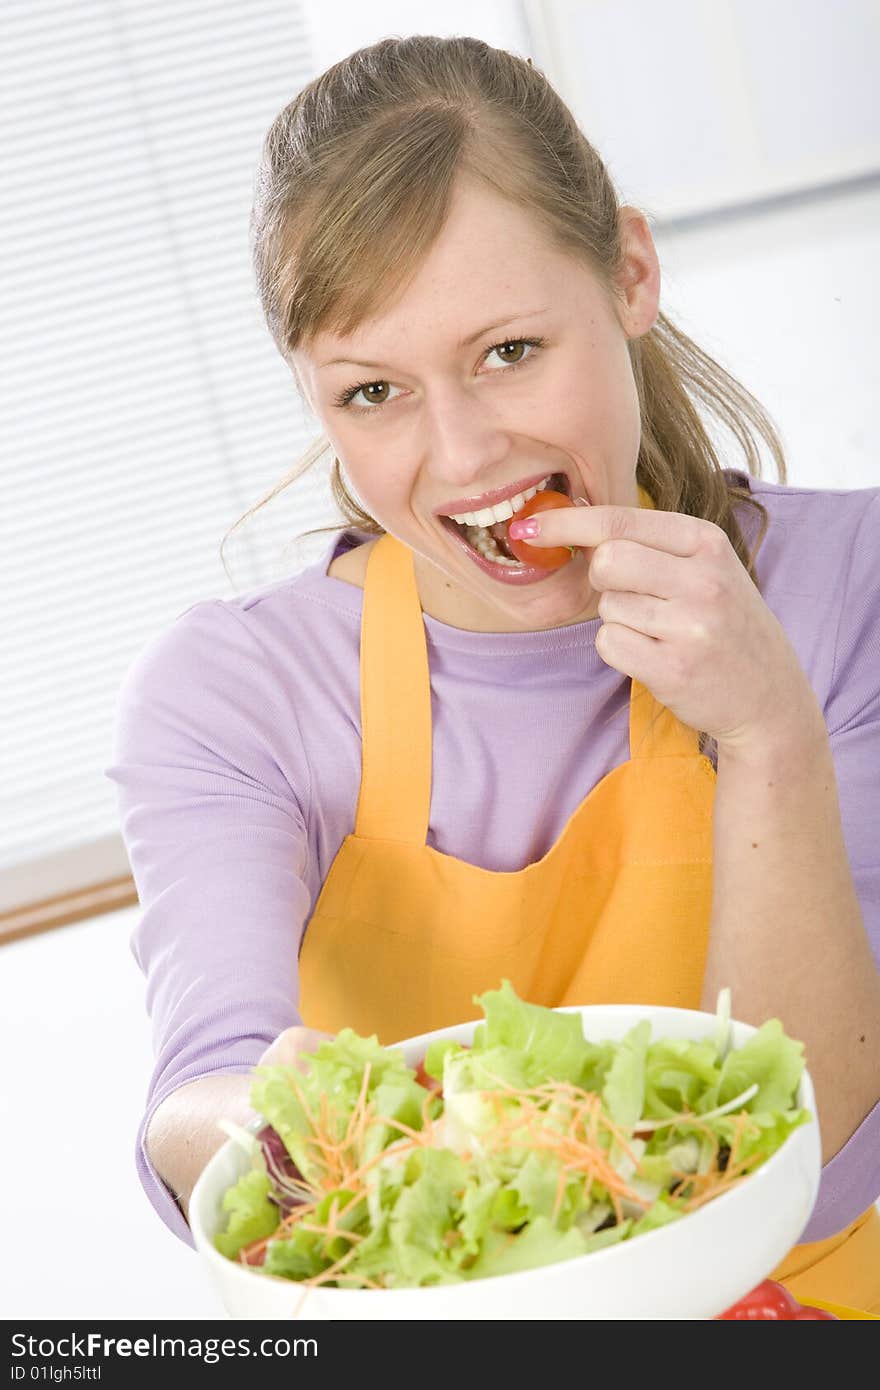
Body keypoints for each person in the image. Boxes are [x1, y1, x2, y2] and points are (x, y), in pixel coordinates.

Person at [105, 34, 880, 1311]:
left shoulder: (849, 587)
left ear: (629, 273)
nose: (462, 456)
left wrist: (767, 732)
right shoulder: (232, 692)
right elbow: (197, 1101)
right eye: (371, 392)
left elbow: (824, 1158)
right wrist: (273, 1128)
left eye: (509, 351)